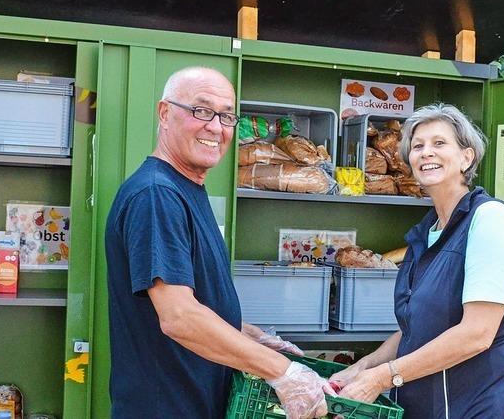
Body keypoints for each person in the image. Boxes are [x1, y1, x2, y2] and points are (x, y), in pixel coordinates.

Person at [105, 66, 334, 419]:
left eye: (227, 116)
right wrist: (281, 371)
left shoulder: (187, 188)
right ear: (165, 113)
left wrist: (252, 337)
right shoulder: (156, 195)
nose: (216, 127)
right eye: (201, 110)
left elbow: (198, 301)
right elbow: (179, 316)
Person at [329, 103, 504, 418]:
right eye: (418, 146)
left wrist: (382, 377)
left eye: (439, 143)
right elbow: (417, 327)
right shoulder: (427, 232)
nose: (426, 153)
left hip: (479, 409)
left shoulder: (489, 219)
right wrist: (362, 368)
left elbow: (477, 333)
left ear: (467, 156)